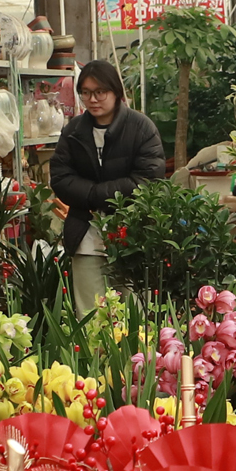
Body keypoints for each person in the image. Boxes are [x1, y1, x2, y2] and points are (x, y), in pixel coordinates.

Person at [52, 59, 166, 312]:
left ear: (116, 92)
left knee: (135, 315)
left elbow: (148, 179)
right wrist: (98, 194)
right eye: (86, 93)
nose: (92, 99)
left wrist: (94, 194)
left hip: (132, 238)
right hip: (86, 238)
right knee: (90, 315)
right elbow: (60, 178)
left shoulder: (141, 128)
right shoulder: (73, 131)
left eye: (100, 92)